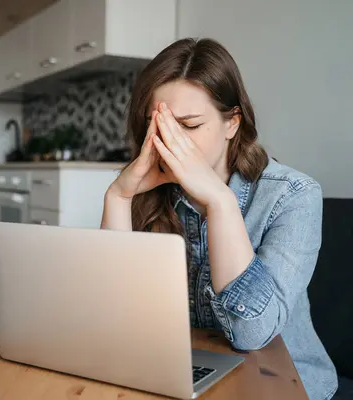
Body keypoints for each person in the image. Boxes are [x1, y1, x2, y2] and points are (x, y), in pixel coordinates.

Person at [100, 37, 338, 400]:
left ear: (232, 123)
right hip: (179, 376)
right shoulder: (145, 188)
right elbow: (114, 318)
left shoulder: (294, 195)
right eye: (158, 125)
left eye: (190, 125)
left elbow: (251, 334)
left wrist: (220, 202)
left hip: (282, 385)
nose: (170, 142)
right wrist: (119, 196)